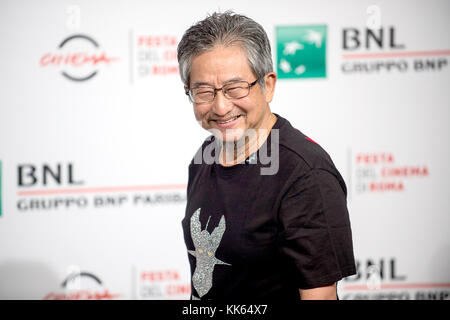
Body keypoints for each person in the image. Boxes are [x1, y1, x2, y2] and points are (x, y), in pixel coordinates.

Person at [177, 11, 356, 300]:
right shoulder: (205, 156)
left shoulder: (304, 174)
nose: (221, 107)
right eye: (205, 92)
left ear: (267, 85)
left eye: (235, 89)